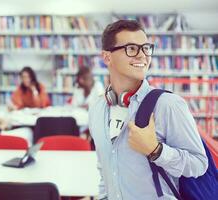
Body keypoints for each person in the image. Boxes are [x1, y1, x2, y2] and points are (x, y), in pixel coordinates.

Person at [88, 20, 208, 200]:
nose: (142, 56)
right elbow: (105, 170)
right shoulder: (97, 109)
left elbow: (199, 164)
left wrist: (156, 150)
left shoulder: (168, 105)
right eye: (131, 48)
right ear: (107, 57)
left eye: (145, 48)